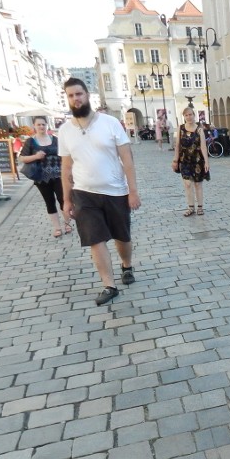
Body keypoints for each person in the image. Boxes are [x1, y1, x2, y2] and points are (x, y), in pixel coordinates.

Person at [59, 77, 141, 306]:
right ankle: (109, 285)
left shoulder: (110, 123)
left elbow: (127, 158)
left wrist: (132, 191)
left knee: (122, 237)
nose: (75, 99)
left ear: (87, 95)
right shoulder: (65, 131)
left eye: (79, 94)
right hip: (84, 194)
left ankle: (126, 265)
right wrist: (66, 200)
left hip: (115, 191)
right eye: (71, 95)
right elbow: (65, 167)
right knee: (95, 239)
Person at [19, 116, 68, 238]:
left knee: (63, 199)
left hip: (58, 175)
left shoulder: (56, 140)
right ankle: (57, 227)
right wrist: (35, 157)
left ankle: (67, 223)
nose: (41, 127)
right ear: (34, 126)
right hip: (41, 177)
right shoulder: (30, 142)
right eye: (39, 124)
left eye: (43, 124)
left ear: (47, 125)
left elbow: (65, 155)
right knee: (49, 202)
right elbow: (22, 158)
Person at [172, 107, 210, 217]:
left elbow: (203, 147)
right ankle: (190, 207)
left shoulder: (199, 129)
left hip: (197, 160)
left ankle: (200, 207)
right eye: (186, 115)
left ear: (194, 115)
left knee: (198, 184)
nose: (188, 117)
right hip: (184, 159)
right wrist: (175, 160)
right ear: (184, 117)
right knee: (187, 184)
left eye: (190, 114)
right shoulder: (181, 128)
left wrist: (206, 162)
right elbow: (177, 145)